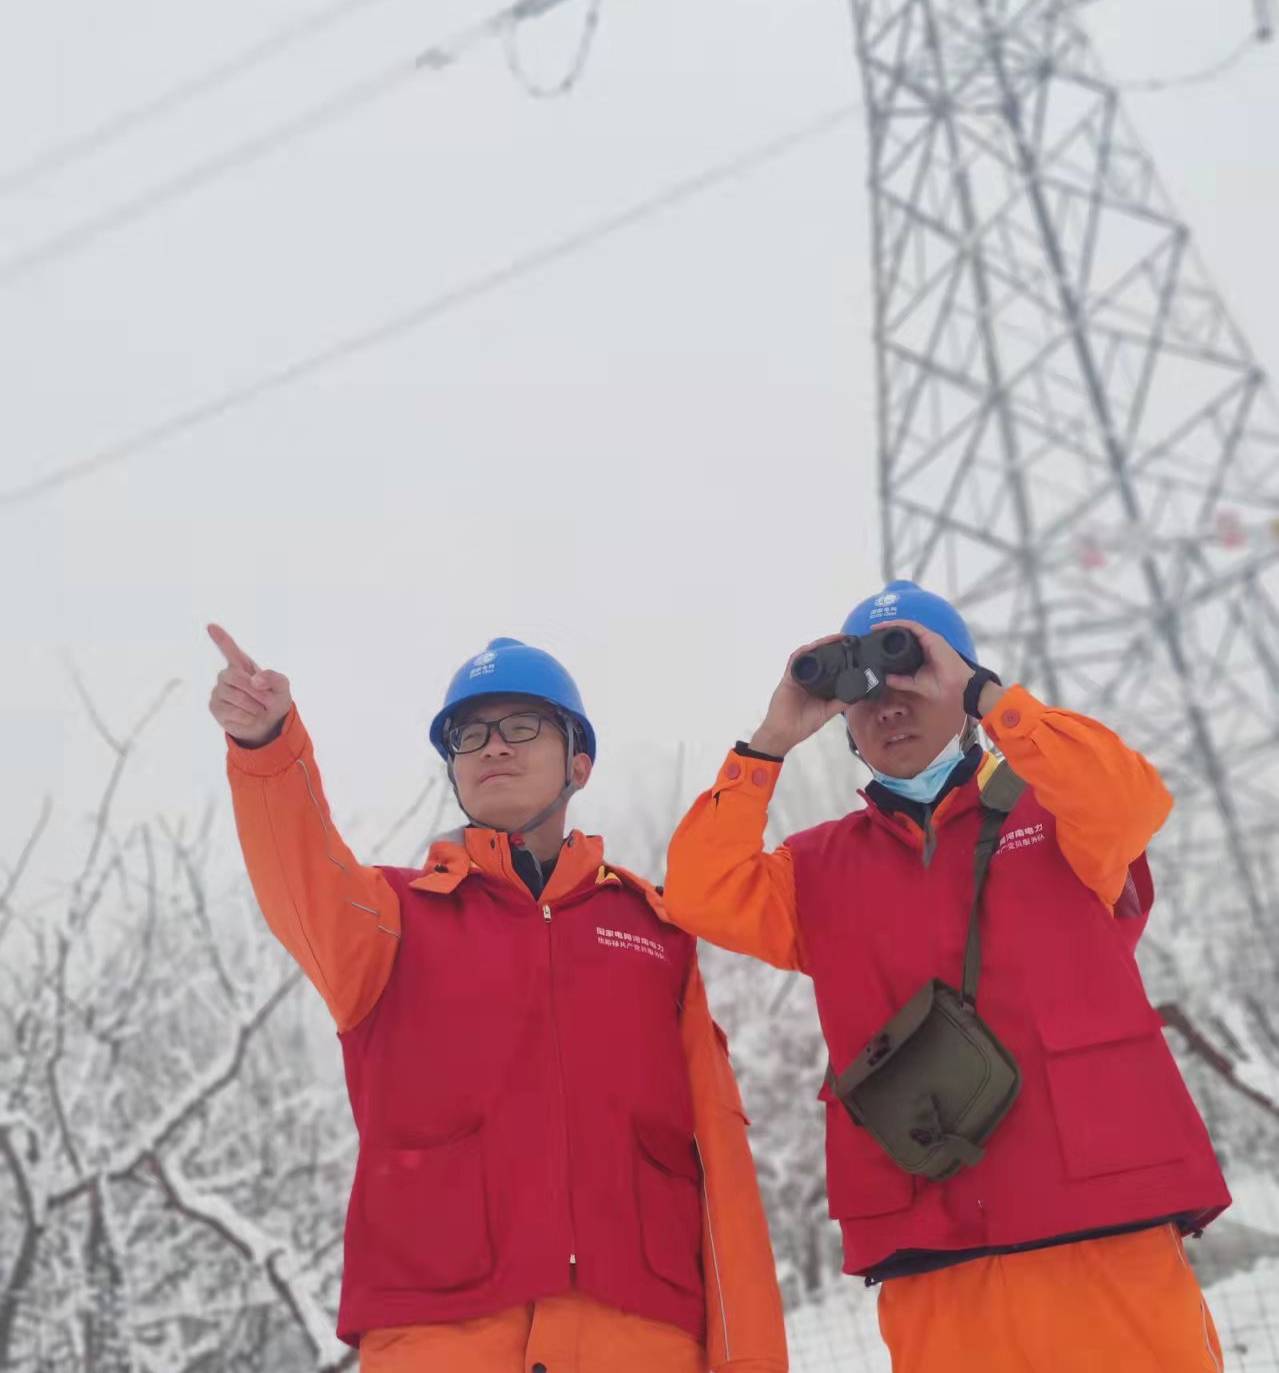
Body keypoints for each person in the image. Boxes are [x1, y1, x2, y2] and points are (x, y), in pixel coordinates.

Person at [661, 580, 1230, 1373]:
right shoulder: (817, 869)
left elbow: (1132, 798)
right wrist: (769, 740)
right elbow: (697, 889)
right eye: (863, 693)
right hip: (934, 1245)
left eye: (911, 675)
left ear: (961, 686)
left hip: (1100, 1225)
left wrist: (985, 693)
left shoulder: (1057, 811)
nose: (888, 705)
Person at [207, 625, 787, 1373]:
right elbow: (300, 877)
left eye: (521, 726)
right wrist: (266, 748)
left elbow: (720, 1170)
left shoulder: (658, 934)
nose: (493, 747)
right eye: (468, 734)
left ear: (578, 759)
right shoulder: (393, 919)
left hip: (641, 1342)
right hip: (440, 1342)